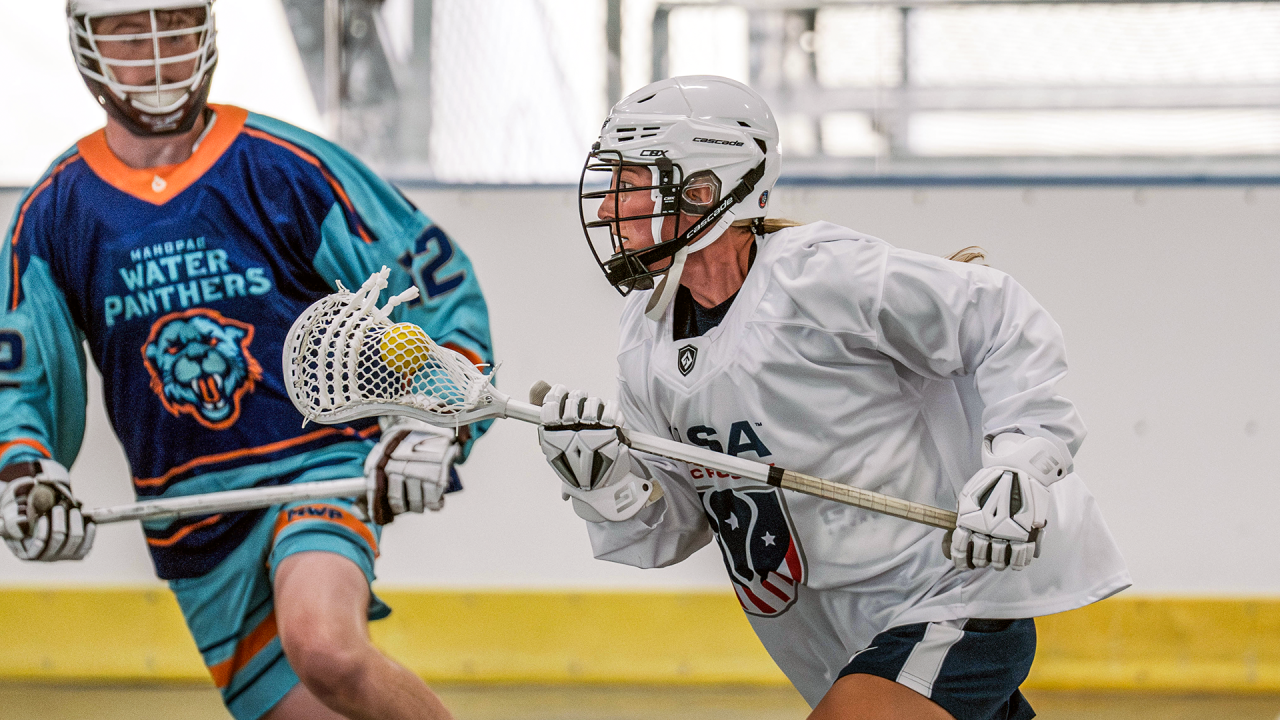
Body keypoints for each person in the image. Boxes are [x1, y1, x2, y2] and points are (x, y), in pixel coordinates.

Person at [537, 75, 1130, 720]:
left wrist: (1021, 459)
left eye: (630, 186)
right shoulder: (645, 338)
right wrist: (606, 480)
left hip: (949, 598)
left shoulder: (819, 277)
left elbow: (998, 316)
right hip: (842, 637)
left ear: (706, 190)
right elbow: (679, 522)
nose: (604, 211)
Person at [0, 2, 492, 719]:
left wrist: (438, 421)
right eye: (130, 32)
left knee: (324, 646)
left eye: (174, 25)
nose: (159, 54)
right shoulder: (55, 210)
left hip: (316, 464)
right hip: (190, 516)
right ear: (86, 46)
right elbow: (22, 377)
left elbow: (438, 292)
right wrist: (25, 467)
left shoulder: (284, 165)